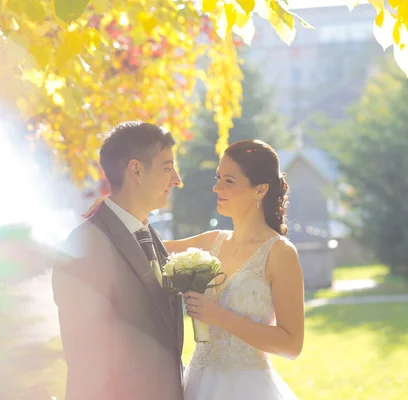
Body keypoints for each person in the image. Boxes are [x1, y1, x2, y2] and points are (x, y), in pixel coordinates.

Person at [84, 139, 305, 399]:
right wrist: (109, 215)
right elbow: (139, 248)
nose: (216, 187)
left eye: (229, 181)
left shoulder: (280, 253)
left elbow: (291, 345)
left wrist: (219, 316)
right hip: (197, 386)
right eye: (218, 177)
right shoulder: (211, 242)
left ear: (260, 190)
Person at [52, 121, 185, 400]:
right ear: (136, 169)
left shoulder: (152, 238)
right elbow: (87, 361)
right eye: (167, 167)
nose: (176, 179)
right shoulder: (86, 246)